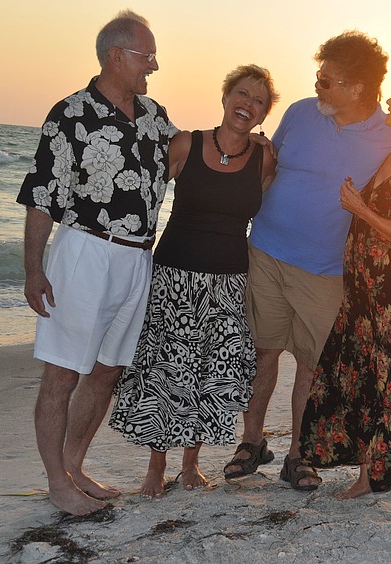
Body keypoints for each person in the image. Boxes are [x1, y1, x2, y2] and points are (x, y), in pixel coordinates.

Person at [16, 11, 176, 515]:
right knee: (62, 375)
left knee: (107, 371)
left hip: (138, 258)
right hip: (86, 252)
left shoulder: (154, 116)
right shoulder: (71, 114)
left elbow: (188, 160)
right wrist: (33, 269)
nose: (154, 65)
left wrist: (244, 142)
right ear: (116, 56)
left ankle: (73, 466)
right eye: (147, 56)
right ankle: (56, 484)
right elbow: (42, 196)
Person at [222, 31, 391, 490]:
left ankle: (299, 454)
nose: (316, 86)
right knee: (263, 352)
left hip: (325, 272)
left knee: (311, 366)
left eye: (326, 80)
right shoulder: (300, 112)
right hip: (265, 253)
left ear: (357, 87)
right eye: (318, 77)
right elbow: (268, 167)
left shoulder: (389, 137)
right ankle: (251, 442)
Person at [109, 65, 278, 497]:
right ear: (225, 97)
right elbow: (141, 194)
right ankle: (155, 467)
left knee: (209, 370)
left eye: (259, 101)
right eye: (242, 94)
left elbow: (279, 206)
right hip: (173, 277)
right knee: (165, 372)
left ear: (264, 114)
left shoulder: (264, 159)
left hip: (228, 283)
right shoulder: (187, 143)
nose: (248, 104)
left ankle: (191, 464)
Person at [299, 69, 391, 518]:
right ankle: (366, 477)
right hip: (363, 294)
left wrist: (361, 209)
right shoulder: (389, 155)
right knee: (364, 381)